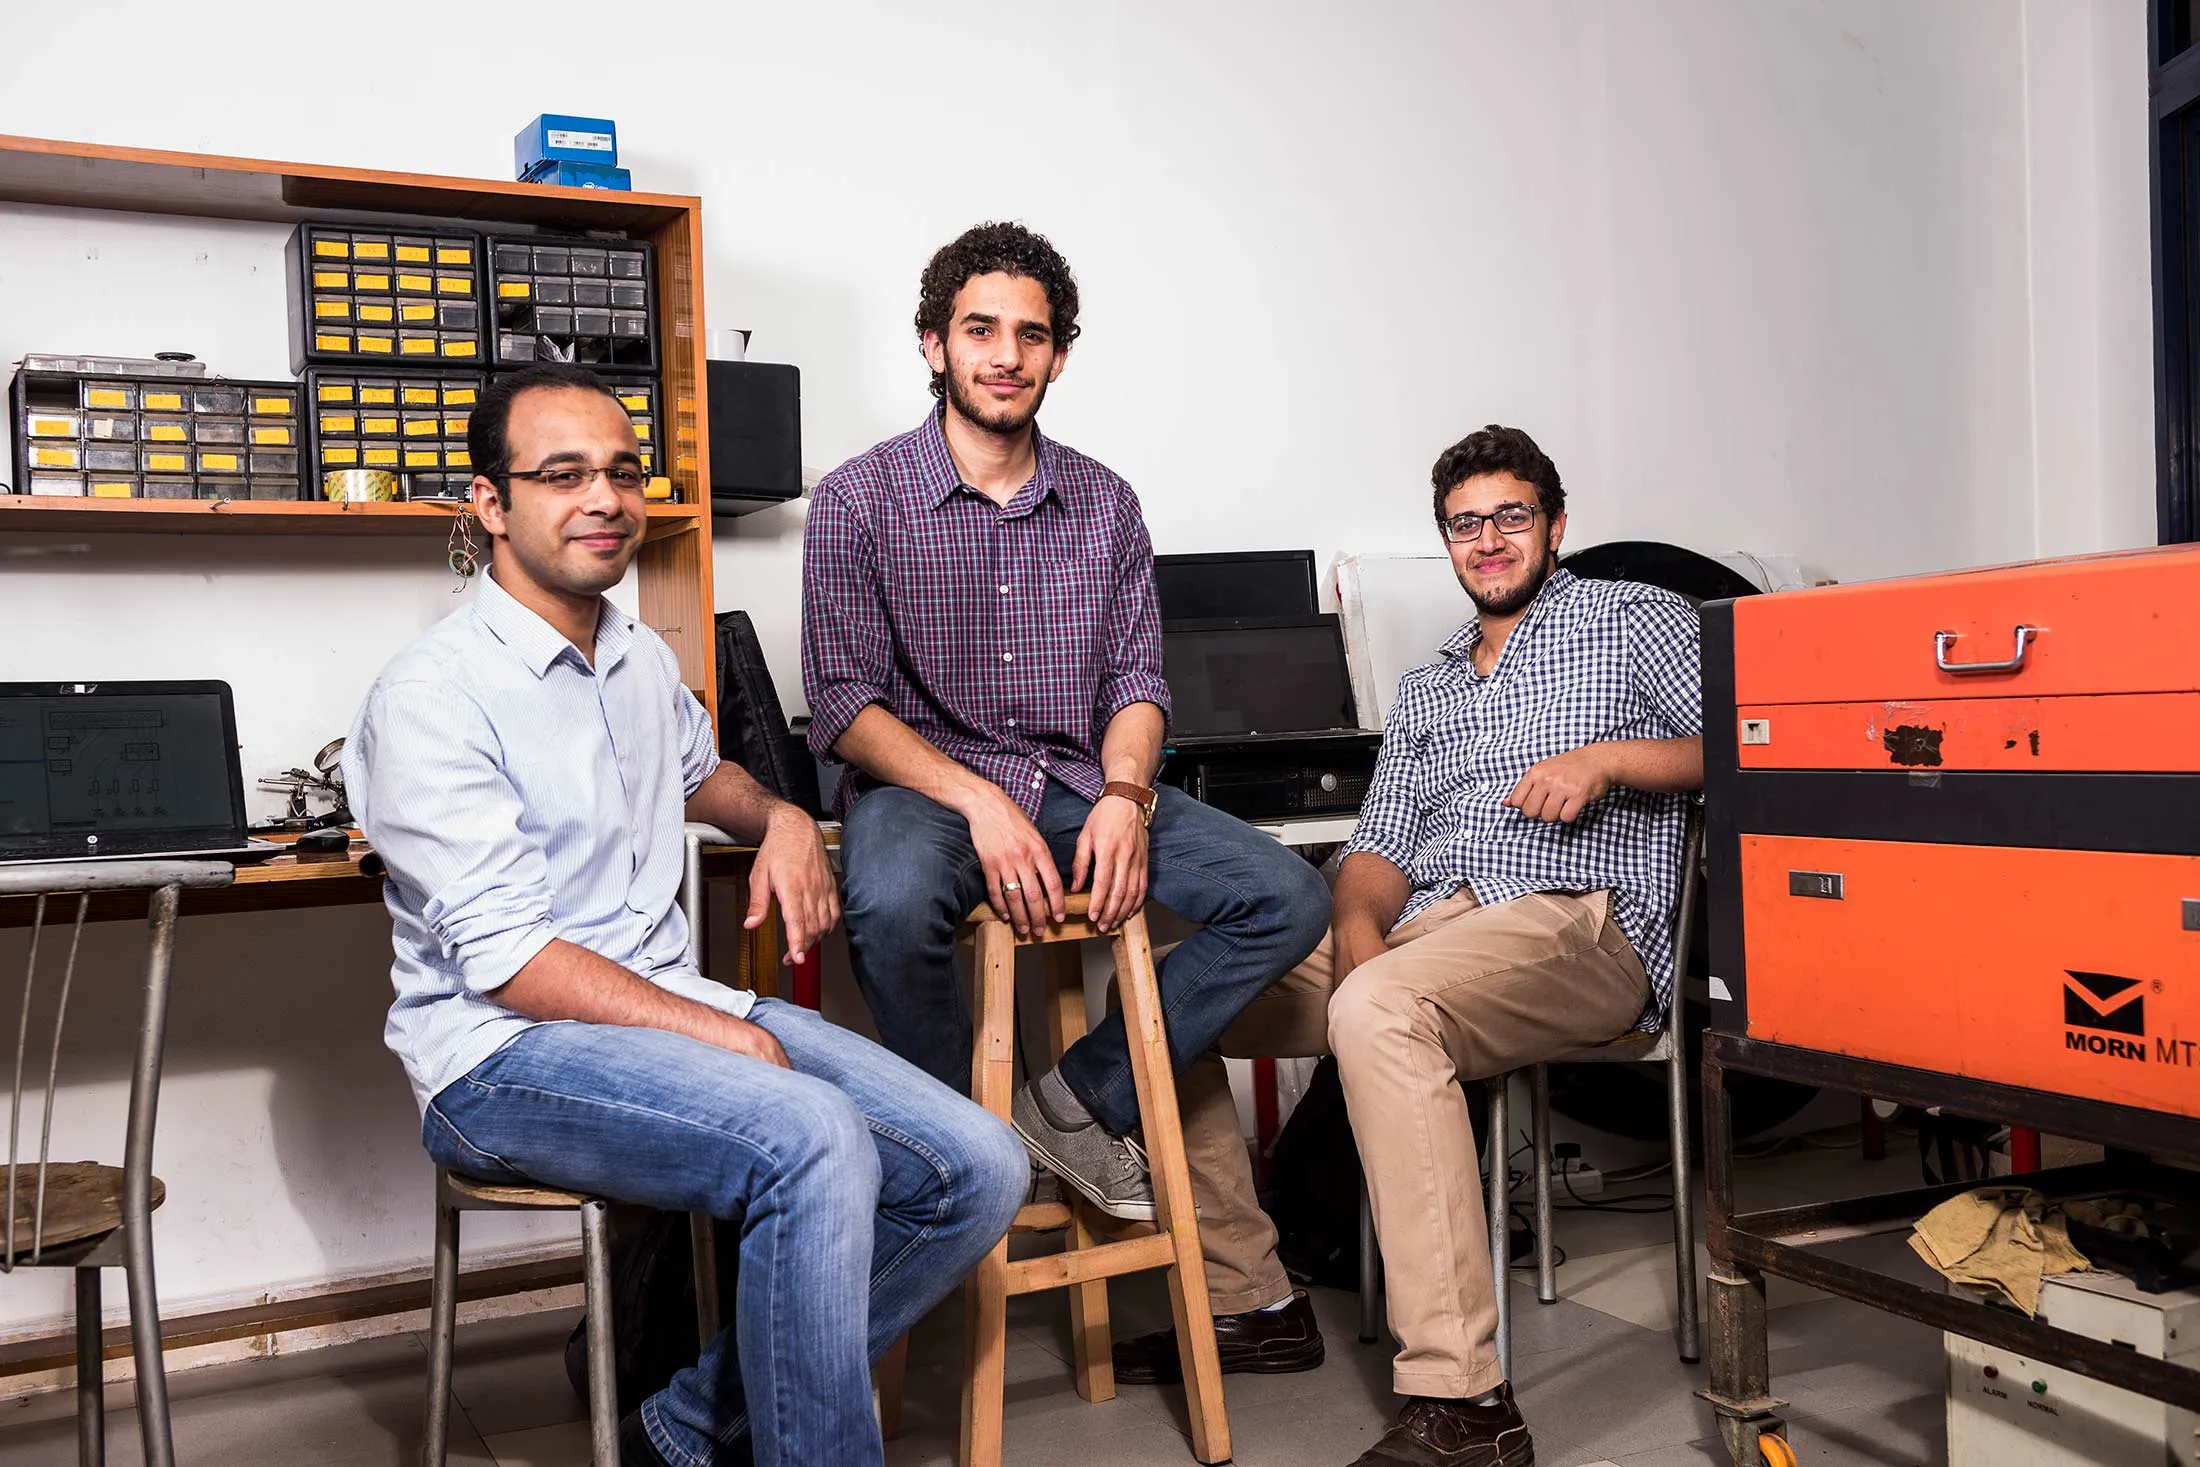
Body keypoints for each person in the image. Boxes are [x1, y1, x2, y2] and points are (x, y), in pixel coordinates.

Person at [344, 364, 1027, 1467]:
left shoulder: (637, 655)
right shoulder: (435, 695)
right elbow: (514, 963)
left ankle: (693, 1426)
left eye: (621, 471)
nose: (604, 498)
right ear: (488, 503)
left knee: (978, 1167)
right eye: (561, 475)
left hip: (670, 997)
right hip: (501, 1056)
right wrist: (722, 1035)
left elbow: (703, 778)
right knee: (809, 1137)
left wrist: (784, 819)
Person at [1110, 425, 1705, 1467]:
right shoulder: (1429, 687)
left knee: (1378, 1011)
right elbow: (1381, 846)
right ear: (1446, 540)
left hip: (1579, 919)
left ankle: (1468, 1407)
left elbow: (1747, 743)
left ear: (1553, 525)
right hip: (1431, 928)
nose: (1488, 540)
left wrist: (1609, 759)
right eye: (1466, 523)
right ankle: (1254, 1304)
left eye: (1510, 516)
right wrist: (1352, 928)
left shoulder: (1631, 617)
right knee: (1168, 1003)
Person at [801, 222, 1332, 1234]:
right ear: (933, 344)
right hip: (924, 793)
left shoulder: (1105, 502)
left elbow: (1137, 679)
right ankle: (960, 1153)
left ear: (1058, 354)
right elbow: (842, 703)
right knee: (892, 901)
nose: (1006, 356)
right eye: (980, 329)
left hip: (1078, 785)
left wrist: (1128, 798)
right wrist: (979, 803)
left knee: (1286, 896)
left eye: (1031, 335)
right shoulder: (856, 500)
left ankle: (1072, 1104)